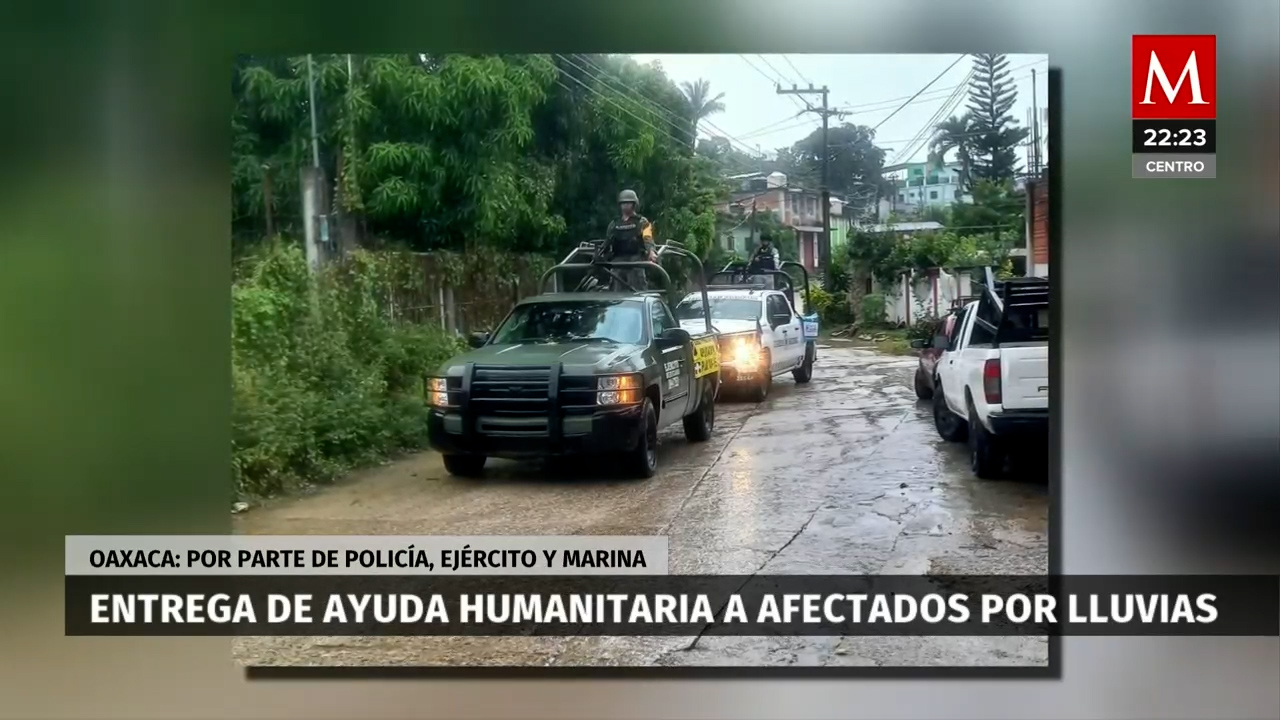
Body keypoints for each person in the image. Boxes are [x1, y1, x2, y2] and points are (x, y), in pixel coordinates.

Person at [598, 189, 656, 291]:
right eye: (623, 203)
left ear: (634, 204)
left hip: (635, 259)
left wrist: (651, 251)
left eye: (628, 203)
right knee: (615, 289)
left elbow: (648, 238)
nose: (625, 205)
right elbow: (607, 241)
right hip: (618, 260)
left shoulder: (642, 221)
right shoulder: (615, 223)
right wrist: (600, 253)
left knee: (638, 287)